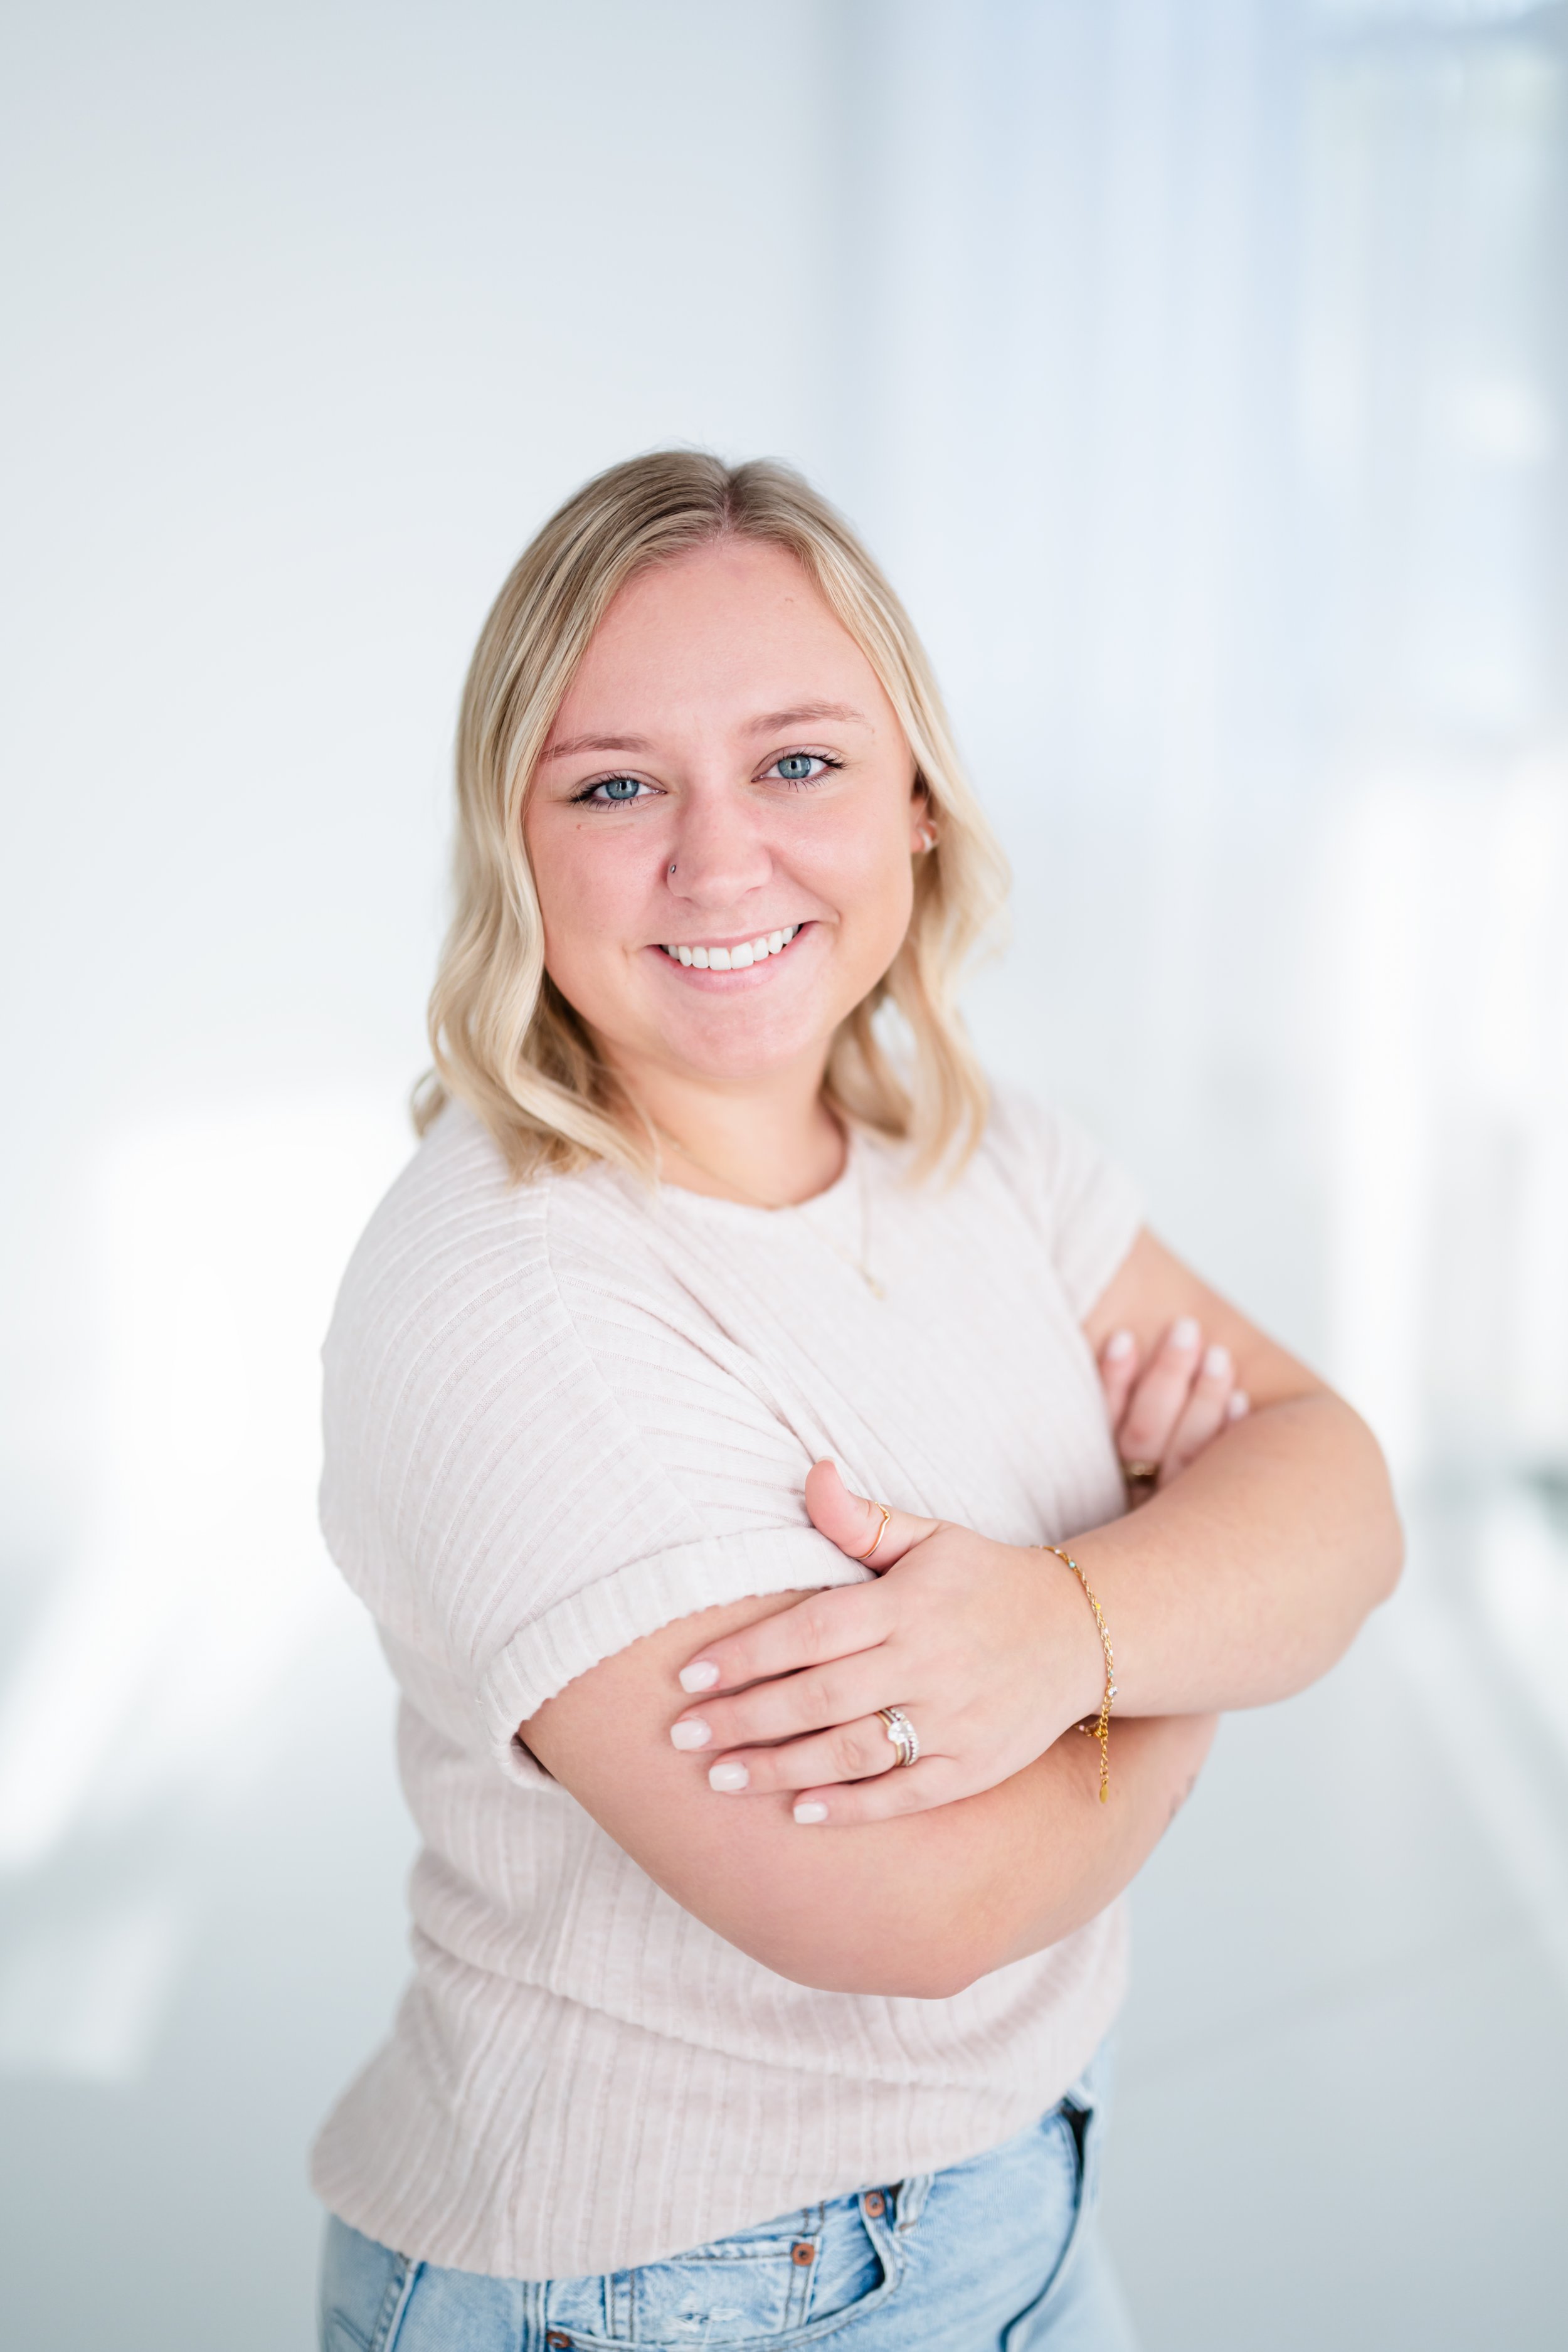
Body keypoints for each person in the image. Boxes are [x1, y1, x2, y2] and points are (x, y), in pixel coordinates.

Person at [312, 453, 1401, 2351]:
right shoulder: (514, 1304)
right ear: (514, 839)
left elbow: (1341, 1498)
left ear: (916, 804)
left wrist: (1065, 1623)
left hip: (1017, 2183)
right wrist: (1178, 1623)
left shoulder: (971, 1155)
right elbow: (909, 1907)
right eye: (616, 784)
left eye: (798, 763)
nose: (717, 863)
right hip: (674, 2289)